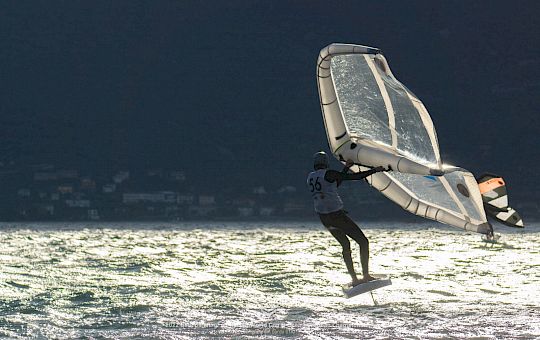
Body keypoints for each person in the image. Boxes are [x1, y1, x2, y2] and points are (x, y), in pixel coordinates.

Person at [307, 151, 387, 286]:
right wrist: (375, 170)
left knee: (345, 245)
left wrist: (345, 167)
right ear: (326, 163)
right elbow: (354, 177)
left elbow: (333, 185)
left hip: (325, 219)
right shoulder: (329, 173)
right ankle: (366, 275)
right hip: (336, 216)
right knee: (363, 242)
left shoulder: (311, 177)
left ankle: (355, 279)